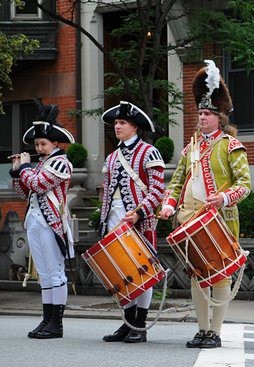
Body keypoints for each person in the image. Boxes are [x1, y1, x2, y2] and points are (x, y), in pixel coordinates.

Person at [159, 60, 251, 349]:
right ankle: (201, 329)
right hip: (189, 218)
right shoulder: (191, 147)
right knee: (197, 275)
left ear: (220, 118)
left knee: (220, 275)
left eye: (208, 113)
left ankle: (216, 331)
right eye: (200, 112)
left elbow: (245, 184)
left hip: (220, 219)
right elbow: (176, 181)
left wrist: (223, 197)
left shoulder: (231, 146)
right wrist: (168, 204)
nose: (202, 117)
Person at [99, 101, 165, 343]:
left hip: (140, 220)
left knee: (142, 271)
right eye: (116, 123)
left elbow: (158, 190)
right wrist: (103, 219)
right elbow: (105, 192)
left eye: (122, 123)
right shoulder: (112, 156)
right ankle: (127, 323)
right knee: (121, 271)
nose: (117, 127)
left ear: (134, 127)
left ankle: (140, 324)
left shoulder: (149, 152)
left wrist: (139, 212)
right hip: (114, 219)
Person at [9, 100, 75, 339]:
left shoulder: (61, 162)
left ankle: (56, 324)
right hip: (35, 222)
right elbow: (24, 191)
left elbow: (38, 184)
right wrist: (17, 170)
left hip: (52, 223)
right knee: (44, 273)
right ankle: (46, 320)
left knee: (56, 272)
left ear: (55, 143)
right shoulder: (39, 164)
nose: (38, 147)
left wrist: (25, 168)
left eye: (43, 143)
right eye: (36, 144)